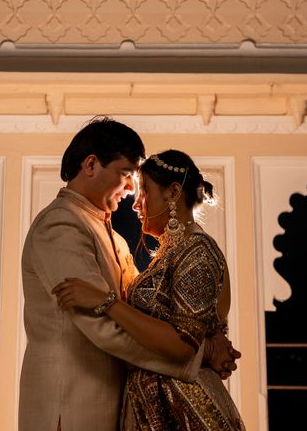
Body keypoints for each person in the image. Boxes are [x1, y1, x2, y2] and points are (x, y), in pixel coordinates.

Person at [19, 120, 238, 431]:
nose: (132, 189)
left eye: (139, 182)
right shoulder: (61, 226)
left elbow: (142, 314)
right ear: (91, 164)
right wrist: (199, 354)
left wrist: (202, 339)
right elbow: (102, 325)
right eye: (126, 175)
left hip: (127, 407)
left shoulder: (111, 235)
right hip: (71, 408)